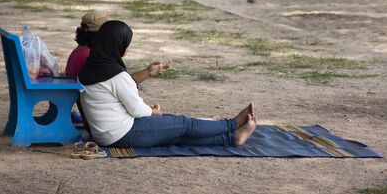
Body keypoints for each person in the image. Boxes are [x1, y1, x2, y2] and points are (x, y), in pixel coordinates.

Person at [78, 20, 256, 148]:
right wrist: (156, 113)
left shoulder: (90, 69)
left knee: (177, 132)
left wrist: (148, 72)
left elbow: (115, 89)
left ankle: (232, 138)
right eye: (126, 44)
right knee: (183, 124)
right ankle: (232, 124)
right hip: (123, 133)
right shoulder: (115, 75)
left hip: (105, 134)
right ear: (116, 45)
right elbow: (137, 110)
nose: (127, 48)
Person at [66, 12, 169, 128]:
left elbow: (117, 83)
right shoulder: (89, 57)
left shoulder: (85, 54)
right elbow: (118, 85)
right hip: (102, 122)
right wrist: (151, 111)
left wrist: (148, 72)